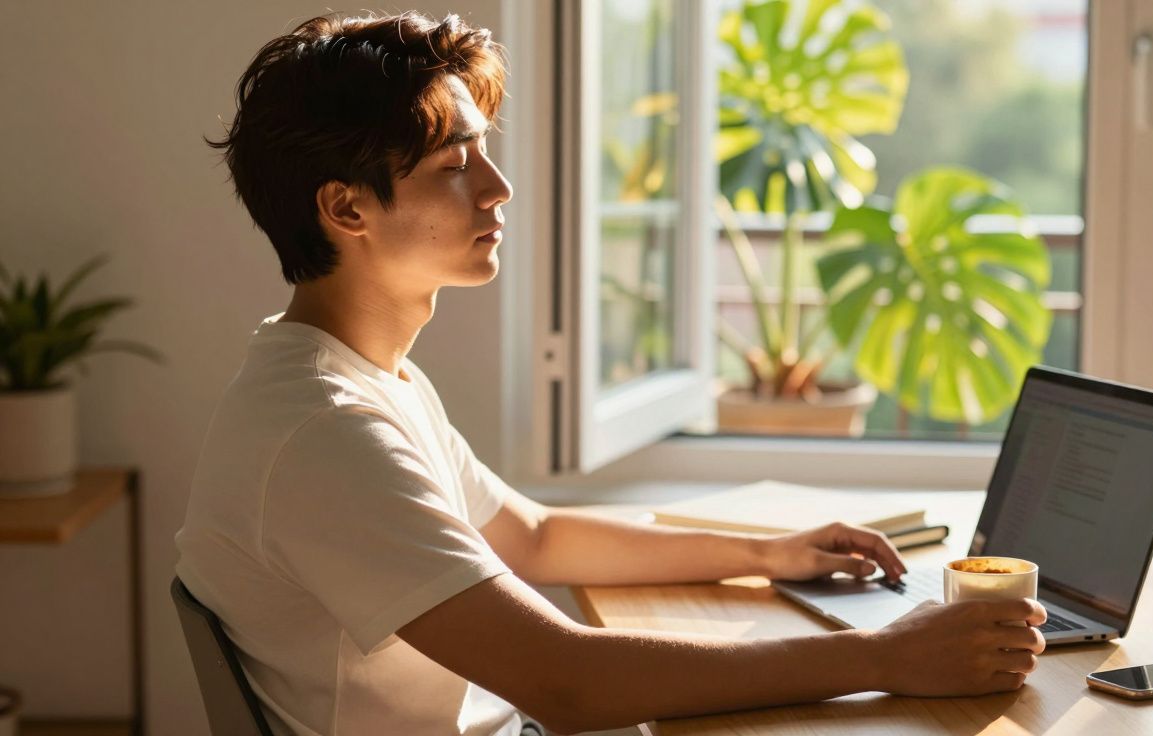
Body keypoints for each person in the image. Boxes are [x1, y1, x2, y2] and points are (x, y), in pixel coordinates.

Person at [175, 10, 1047, 736]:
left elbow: (533, 537)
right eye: (453, 168)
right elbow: (565, 683)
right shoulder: (327, 431)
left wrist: (769, 555)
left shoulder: (360, 380)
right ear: (346, 207)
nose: (498, 186)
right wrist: (887, 656)